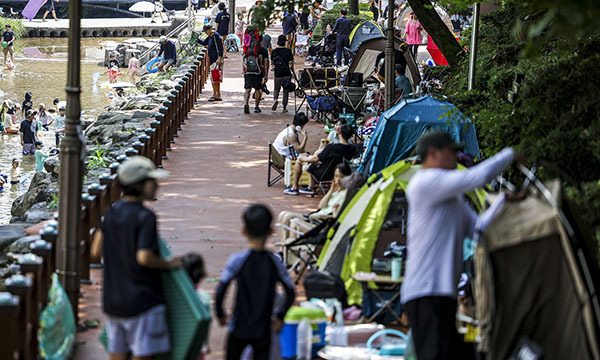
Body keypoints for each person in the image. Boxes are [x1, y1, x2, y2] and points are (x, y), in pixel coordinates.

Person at [402, 131, 522, 360]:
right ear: (433, 154)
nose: (457, 157)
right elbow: (477, 178)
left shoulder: (453, 201)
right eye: (452, 152)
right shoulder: (423, 182)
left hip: (444, 293)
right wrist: (510, 154)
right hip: (425, 291)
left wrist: (503, 201)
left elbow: (479, 228)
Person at [90, 156, 180, 360]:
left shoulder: (111, 212)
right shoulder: (145, 216)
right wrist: (168, 264)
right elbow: (144, 257)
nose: (156, 185)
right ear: (138, 185)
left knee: (117, 353)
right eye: (152, 181)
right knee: (143, 354)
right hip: (142, 300)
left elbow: (96, 251)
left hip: (114, 300)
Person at [215, 204, 295, 360]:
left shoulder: (237, 260)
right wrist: (280, 316)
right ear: (271, 231)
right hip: (263, 329)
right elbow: (290, 291)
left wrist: (220, 313)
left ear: (243, 230)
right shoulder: (275, 262)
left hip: (238, 327)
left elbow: (221, 289)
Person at [278, 162, 352, 243]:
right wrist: (331, 191)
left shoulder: (346, 194)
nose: (337, 180)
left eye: (341, 177)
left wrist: (320, 216)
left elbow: (336, 217)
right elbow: (321, 206)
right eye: (336, 176)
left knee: (290, 219)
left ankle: (286, 250)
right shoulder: (336, 190)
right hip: (316, 215)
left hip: (320, 222)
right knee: (283, 215)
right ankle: (283, 249)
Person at [284, 124, 356, 195]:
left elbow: (315, 159)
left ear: (340, 133)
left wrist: (303, 158)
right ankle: (310, 187)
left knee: (300, 159)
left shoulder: (332, 147)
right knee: (309, 158)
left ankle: (294, 187)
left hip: (322, 172)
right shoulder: (353, 148)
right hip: (339, 172)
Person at [182, 253, 211, 360]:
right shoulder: (204, 297)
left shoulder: (175, 295)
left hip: (178, 345)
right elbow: (206, 323)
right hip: (197, 346)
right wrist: (206, 343)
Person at [243, 32, 268, 114]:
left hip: (248, 71)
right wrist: (266, 74)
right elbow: (266, 62)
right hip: (258, 72)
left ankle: (246, 103)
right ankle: (256, 107)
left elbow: (243, 59)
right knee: (257, 89)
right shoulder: (262, 50)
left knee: (247, 89)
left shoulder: (247, 49)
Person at [200, 24, 224, 102]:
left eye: (206, 31)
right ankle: (216, 94)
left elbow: (220, 47)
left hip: (216, 59)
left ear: (210, 29)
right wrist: (196, 39)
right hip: (213, 59)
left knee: (215, 77)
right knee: (214, 78)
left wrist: (219, 57)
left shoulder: (215, 36)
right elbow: (204, 42)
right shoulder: (210, 36)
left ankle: (217, 95)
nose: (206, 33)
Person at [271, 35, 294, 113]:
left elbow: (272, 63)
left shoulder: (274, 51)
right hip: (286, 72)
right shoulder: (288, 51)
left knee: (276, 88)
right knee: (286, 90)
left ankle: (275, 99)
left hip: (278, 73)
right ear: (285, 42)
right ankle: (284, 107)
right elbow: (290, 63)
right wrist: (292, 72)